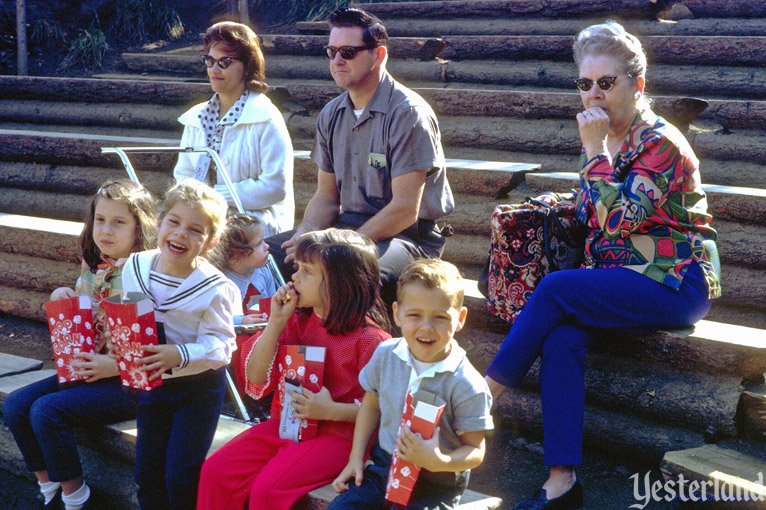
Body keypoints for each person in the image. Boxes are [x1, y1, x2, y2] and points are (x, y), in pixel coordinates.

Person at [484, 20, 721, 510]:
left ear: (637, 86)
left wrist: (594, 152)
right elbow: (594, 219)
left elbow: (617, 221)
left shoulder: (661, 143)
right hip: (620, 279)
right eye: (585, 83)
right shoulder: (607, 139)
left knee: (554, 290)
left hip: (675, 281)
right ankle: (562, 480)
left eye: (606, 83)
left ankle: (479, 399)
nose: (593, 95)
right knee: (561, 337)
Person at [268, 7, 454, 305]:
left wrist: (341, 246)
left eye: (348, 52)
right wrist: (305, 234)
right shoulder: (332, 113)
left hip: (406, 237)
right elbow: (326, 197)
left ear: (378, 56)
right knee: (266, 256)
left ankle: (358, 350)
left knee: (353, 270)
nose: (337, 60)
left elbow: (406, 209)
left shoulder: (408, 113)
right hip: (344, 227)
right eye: (331, 51)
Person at [197, 228, 391, 510]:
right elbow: (254, 380)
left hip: (340, 437)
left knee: (269, 489)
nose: (294, 277)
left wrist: (331, 410)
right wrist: (275, 324)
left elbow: (386, 410)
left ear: (341, 283)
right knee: (215, 471)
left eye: (307, 271)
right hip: (289, 426)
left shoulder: (373, 341)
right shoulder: (295, 321)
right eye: (297, 268)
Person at [3, 180, 158, 510]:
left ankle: (76, 499)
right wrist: (68, 298)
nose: (106, 229)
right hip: (93, 369)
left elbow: (151, 349)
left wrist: (111, 366)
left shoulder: (142, 274)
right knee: (15, 404)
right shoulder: (93, 265)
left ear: (139, 228)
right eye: (100, 219)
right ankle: (49, 489)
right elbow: (90, 316)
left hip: (131, 381)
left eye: (119, 222)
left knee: (47, 411)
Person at [329, 258, 494, 510]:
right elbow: (371, 405)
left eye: (440, 317)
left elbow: (475, 450)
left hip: (436, 481)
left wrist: (439, 460)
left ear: (460, 318)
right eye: (414, 315)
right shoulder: (386, 355)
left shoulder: (466, 383)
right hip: (383, 468)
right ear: (397, 313)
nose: (426, 327)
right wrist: (355, 458)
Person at [120, 180, 242, 510]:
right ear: (159, 223)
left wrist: (181, 354)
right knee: (147, 474)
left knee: (181, 477)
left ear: (211, 241)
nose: (180, 234)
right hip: (153, 386)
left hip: (197, 390)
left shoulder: (215, 287)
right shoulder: (136, 266)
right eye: (174, 222)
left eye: (195, 229)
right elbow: (131, 313)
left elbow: (223, 346)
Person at [174, 21, 294, 237]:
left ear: (247, 66)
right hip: (202, 213)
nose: (214, 70)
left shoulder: (266, 117)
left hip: (256, 221)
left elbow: (275, 187)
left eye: (225, 62)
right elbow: (183, 173)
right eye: (210, 61)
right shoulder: (196, 116)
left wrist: (212, 197)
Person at [209, 213, 277, 317]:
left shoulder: (262, 271)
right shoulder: (223, 283)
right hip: (237, 332)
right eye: (259, 244)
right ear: (234, 257)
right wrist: (241, 322)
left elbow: (274, 302)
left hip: (266, 328)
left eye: (263, 240)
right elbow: (218, 320)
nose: (267, 246)